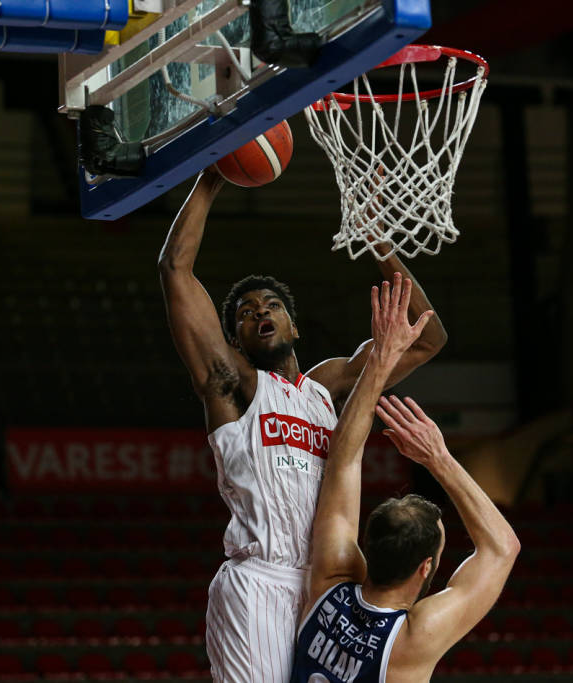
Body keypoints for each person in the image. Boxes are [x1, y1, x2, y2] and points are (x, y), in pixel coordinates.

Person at [158, 169, 447, 683]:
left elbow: (426, 338)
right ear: (236, 340)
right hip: (261, 583)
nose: (260, 312)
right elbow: (175, 269)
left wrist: (374, 236)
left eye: (271, 305)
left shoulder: (326, 389)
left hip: (329, 588)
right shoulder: (235, 386)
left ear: (294, 325)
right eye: (246, 313)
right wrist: (213, 177)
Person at [292, 273, 520, 683]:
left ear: (366, 547)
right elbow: (503, 548)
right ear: (425, 568)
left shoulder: (330, 582)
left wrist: (381, 359)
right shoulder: (413, 639)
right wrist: (439, 458)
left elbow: (343, 460)